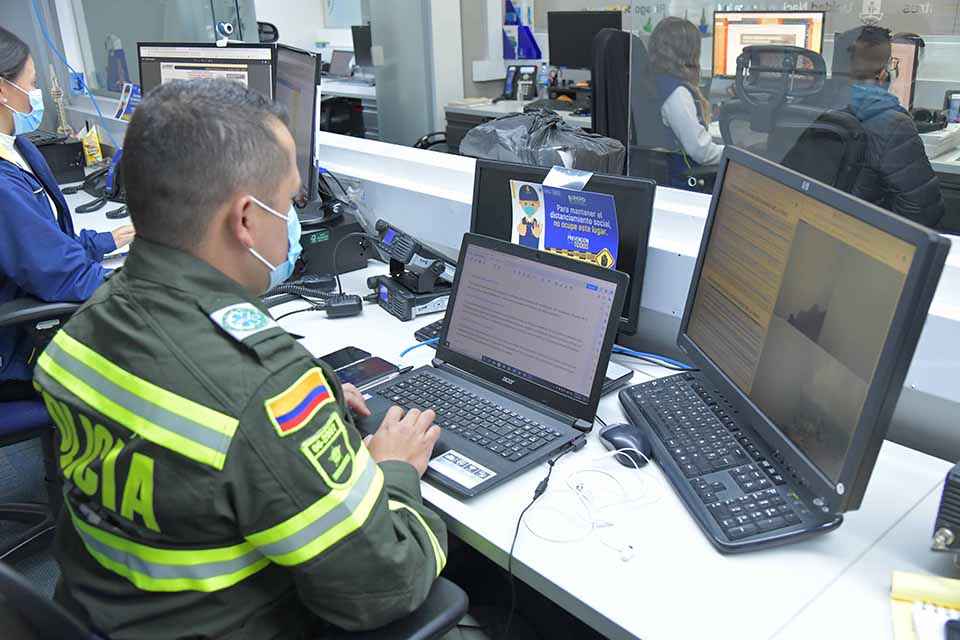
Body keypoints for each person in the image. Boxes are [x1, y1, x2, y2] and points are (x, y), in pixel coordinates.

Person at [33, 79, 446, 640]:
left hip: (103, 611)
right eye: (291, 201)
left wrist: (314, 397)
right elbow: (385, 585)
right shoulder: (266, 391)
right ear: (246, 219)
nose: (294, 217)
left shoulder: (85, 324)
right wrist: (394, 472)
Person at [0, 26, 134, 398]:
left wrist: (105, 241)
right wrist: (150, 288)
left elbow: (43, 245)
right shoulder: (3, 184)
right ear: (2, 90)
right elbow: (62, 275)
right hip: (18, 351)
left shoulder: (17, 148)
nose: (37, 94)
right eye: (32, 83)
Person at [844, 26, 944, 227]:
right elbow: (924, 212)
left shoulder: (812, 105)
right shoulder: (894, 125)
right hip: (861, 235)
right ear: (884, 73)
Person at [648, 17, 723, 187]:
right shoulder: (677, 93)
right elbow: (702, 152)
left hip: (663, 178)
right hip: (682, 181)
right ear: (689, 52)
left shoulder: (655, 81)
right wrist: (734, 154)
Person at [515, 183, 543, 249]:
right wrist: (521, 234)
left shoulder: (537, 223)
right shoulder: (522, 222)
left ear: (538, 204)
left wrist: (537, 236)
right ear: (520, 203)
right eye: (525, 204)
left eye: (533, 204)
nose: (529, 207)